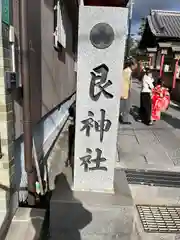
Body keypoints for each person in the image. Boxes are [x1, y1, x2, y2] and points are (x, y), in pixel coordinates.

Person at [120, 58, 137, 124]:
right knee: (125, 107)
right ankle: (124, 120)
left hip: (126, 91)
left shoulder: (128, 71)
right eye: (136, 65)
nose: (136, 67)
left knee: (126, 106)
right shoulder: (127, 71)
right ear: (132, 65)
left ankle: (124, 119)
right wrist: (122, 93)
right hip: (124, 92)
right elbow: (122, 82)